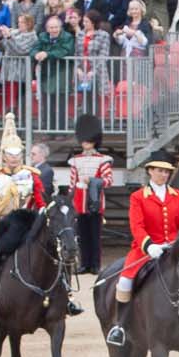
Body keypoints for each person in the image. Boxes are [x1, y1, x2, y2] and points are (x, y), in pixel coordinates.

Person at [109, 156, 179, 345]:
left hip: (177, 249)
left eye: (167, 171)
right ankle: (121, 326)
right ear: (150, 170)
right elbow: (137, 226)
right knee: (125, 281)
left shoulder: (178, 196)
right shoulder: (138, 197)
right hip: (146, 250)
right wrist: (149, 245)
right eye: (160, 170)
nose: (164, 174)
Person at [0, 114, 51, 319]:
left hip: (28, 223)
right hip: (2, 227)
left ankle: (63, 296)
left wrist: (44, 218)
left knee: (54, 250)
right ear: (3, 155)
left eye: (18, 153)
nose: (14, 157)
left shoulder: (32, 175)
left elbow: (41, 203)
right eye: (10, 153)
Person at [67, 113, 113, 277]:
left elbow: (108, 181)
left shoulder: (103, 160)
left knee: (95, 235)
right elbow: (72, 184)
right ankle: (84, 263)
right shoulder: (75, 160)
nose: (85, 142)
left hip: (95, 201)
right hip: (79, 202)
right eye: (84, 139)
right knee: (82, 235)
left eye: (88, 139)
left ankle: (95, 264)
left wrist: (92, 180)